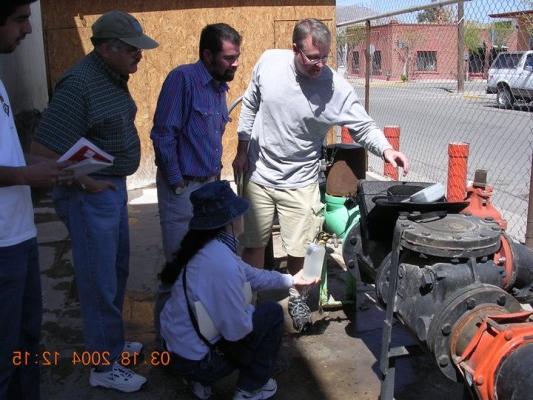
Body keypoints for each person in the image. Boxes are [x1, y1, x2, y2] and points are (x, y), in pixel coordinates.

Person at [232, 18, 410, 333]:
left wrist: (386, 150)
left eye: (325, 56)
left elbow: (363, 125)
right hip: (259, 172)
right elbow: (250, 104)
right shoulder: (269, 63)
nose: (320, 64)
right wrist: (242, 149)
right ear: (294, 50)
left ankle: (298, 299)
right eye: (313, 57)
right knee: (253, 245)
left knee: (301, 250)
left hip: (299, 179)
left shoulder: (334, 88)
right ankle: (247, 302)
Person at [31, 10, 158, 393]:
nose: (140, 56)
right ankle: (102, 365)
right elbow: (39, 154)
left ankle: (112, 344)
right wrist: (87, 181)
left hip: (109, 188)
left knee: (115, 271)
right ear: (106, 49)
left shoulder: (112, 76)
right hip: (89, 194)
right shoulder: (79, 85)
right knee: (97, 280)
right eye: (132, 50)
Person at [159, 180, 318, 400]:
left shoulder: (205, 247)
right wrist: (250, 313)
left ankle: (198, 381)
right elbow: (237, 332)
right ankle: (249, 388)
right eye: (240, 213)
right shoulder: (223, 264)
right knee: (271, 314)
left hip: (174, 351)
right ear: (232, 221)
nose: (243, 217)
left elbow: (252, 275)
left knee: (247, 312)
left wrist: (292, 280)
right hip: (194, 362)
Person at [0, 1, 73, 398]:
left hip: (21, 235)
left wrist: (52, 165)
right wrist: (28, 175)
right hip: (2, 246)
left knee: (27, 342)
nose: (28, 30)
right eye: (19, 20)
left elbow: (8, 157)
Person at [150, 23, 241, 342]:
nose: (235, 63)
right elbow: (163, 135)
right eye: (229, 57)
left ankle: (196, 339)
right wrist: (176, 184)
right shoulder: (183, 80)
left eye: (237, 56)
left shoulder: (219, 87)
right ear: (207, 55)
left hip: (208, 190)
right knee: (177, 271)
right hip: (183, 190)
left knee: (205, 269)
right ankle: (167, 344)